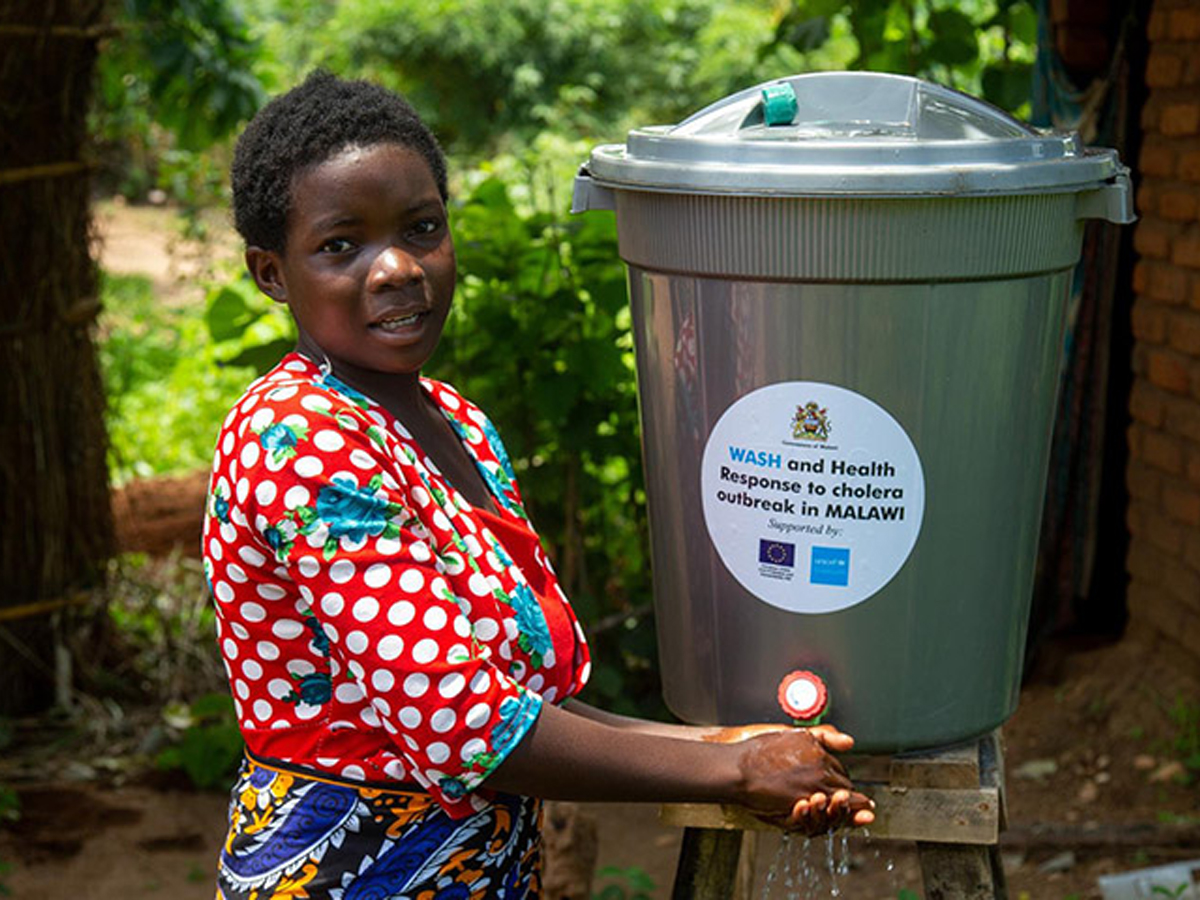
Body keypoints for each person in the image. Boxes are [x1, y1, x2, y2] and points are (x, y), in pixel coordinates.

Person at [202, 70, 874, 899]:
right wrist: (734, 771)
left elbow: (521, 701)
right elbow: (465, 727)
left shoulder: (453, 423)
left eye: (422, 228)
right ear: (271, 273)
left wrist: (728, 746)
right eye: (342, 245)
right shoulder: (296, 437)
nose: (398, 268)